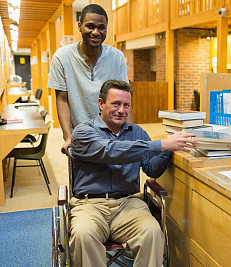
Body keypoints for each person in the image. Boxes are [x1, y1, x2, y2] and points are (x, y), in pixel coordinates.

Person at [69, 80, 197, 267]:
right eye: (115, 104)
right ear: (100, 103)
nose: (121, 110)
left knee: (152, 231)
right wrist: (160, 145)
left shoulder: (137, 132)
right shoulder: (83, 132)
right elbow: (111, 151)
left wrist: (169, 148)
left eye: (126, 105)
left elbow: (151, 169)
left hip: (128, 204)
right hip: (90, 204)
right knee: (83, 235)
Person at [48, 4, 130, 155]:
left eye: (101, 27)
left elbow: (125, 99)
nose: (96, 32)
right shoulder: (62, 57)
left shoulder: (117, 57)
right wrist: (68, 137)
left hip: (112, 136)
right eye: (90, 26)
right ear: (79, 26)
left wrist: (128, 133)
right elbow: (62, 99)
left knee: (116, 177)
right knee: (82, 178)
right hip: (80, 137)